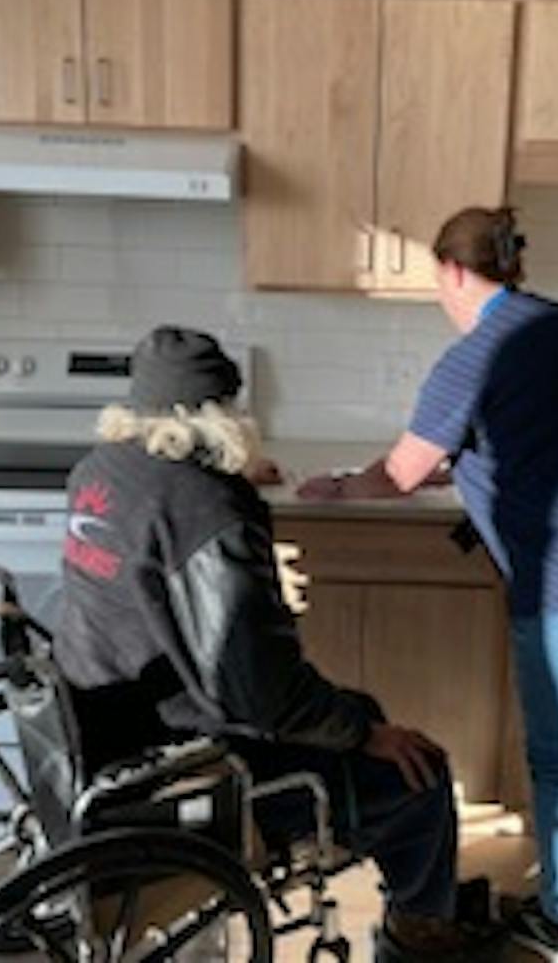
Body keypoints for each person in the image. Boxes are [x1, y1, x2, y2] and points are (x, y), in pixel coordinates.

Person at [298, 207, 558, 959]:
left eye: (439, 280)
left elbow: (400, 473)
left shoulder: (473, 356)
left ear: (455, 272)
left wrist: (337, 489)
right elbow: (546, 433)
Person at [54, 325, 500, 961]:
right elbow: (258, 691)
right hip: (196, 774)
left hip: (110, 746)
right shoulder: (211, 508)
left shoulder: (98, 474)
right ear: (221, 416)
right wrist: (361, 732)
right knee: (419, 774)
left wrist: (226, 488)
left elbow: (163, 552)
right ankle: (421, 936)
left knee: (361, 711)